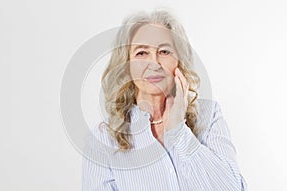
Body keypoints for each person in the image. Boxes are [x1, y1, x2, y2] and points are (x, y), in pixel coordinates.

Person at [82, 10, 247, 191]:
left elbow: (234, 187)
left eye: (164, 51)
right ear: (127, 65)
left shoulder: (209, 116)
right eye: (142, 53)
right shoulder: (102, 139)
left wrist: (178, 130)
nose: (154, 63)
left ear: (179, 61)